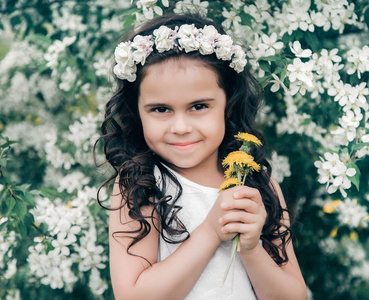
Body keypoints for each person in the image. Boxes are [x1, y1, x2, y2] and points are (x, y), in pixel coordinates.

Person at [96, 12, 306, 300]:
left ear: (228, 106)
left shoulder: (259, 188)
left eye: (198, 106)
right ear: (138, 112)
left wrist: (251, 248)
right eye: (160, 109)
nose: (180, 128)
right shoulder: (141, 185)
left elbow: (294, 296)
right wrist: (211, 232)